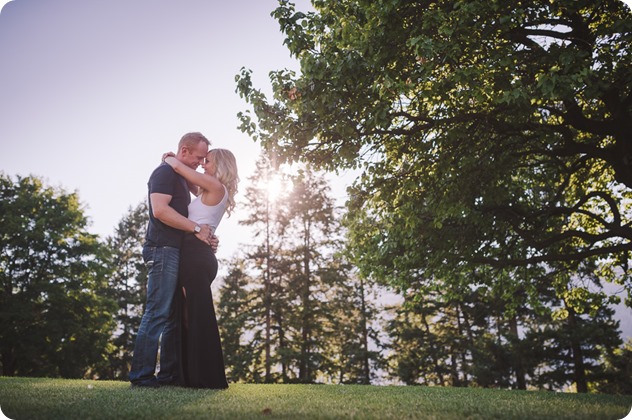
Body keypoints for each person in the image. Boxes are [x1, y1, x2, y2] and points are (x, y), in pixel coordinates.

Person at [129, 132, 216, 388]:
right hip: (161, 249)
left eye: (204, 159)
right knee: (157, 312)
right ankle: (141, 376)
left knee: (172, 316)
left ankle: (168, 375)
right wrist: (196, 229)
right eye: (198, 157)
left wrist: (205, 234)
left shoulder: (178, 175)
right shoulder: (164, 174)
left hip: (175, 250)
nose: (200, 163)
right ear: (185, 151)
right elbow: (160, 211)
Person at [163, 148, 239, 389]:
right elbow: (188, 182)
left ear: (221, 165)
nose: (203, 165)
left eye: (208, 161)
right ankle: (187, 377)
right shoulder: (210, 189)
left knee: (197, 317)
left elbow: (180, 169)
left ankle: (207, 378)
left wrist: (169, 159)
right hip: (195, 254)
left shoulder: (216, 187)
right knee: (188, 316)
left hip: (195, 257)